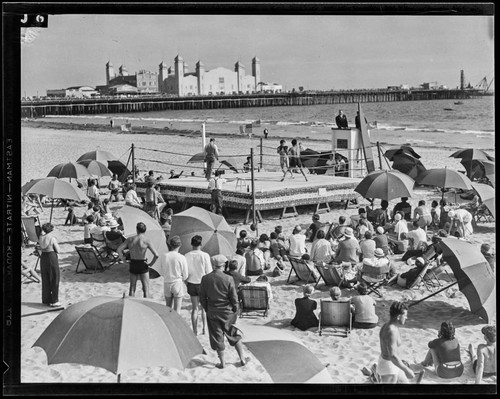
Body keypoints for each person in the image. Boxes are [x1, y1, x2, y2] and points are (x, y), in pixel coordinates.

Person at [199, 254, 249, 369]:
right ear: (224, 265)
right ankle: (242, 358)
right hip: (227, 311)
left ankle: (222, 363)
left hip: (212, 310)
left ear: (213, 265)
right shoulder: (228, 278)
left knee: (217, 336)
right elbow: (233, 297)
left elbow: (202, 297)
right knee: (233, 334)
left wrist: (207, 308)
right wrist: (235, 308)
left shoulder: (205, 278)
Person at [117, 222, 159, 298]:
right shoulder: (146, 240)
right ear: (145, 230)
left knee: (132, 287)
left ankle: (130, 304)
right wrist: (150, 264)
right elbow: (156, 255)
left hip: (133, 262)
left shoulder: (130, 239)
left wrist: (123, 259)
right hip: (142, 262)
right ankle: (146, 305)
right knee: (145, 288)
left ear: (137, 230)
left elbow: (119, 249)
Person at [378, 301, 416, 383]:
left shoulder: (386, 325)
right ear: (399, 316)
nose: (406, 318)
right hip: (389, 368)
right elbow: (392, 356)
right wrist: (406, 370)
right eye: (405, 316)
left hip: (392, 363)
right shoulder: (392, 331)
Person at [185, 235, 212, 335]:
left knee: (194, 308)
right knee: (204, 309)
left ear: (191, 244)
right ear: (201, 244)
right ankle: (204, 329)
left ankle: (195, 330)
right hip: (202, 283)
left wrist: (186, 282)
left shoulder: (187, 255)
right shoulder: (205, 255)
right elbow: (208, 271)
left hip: (192, 282)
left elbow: (185, 272)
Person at [157, 235, 189, 312]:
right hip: (177, 282)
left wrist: (166, 275)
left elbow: (160, 271)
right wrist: (182, 278)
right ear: (180, 245)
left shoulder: (164, 256)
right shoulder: (181, 257)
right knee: (177, 310)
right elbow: (185, 275)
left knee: (168, 308)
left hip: (167, 282)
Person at [38, 223, 61, 307]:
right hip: (51, 256)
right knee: (54, 278)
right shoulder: (52, 238)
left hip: (43, 257)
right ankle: (55, 300)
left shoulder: (41, 237)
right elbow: (58, 250)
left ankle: (46, 299)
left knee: (45, 278)